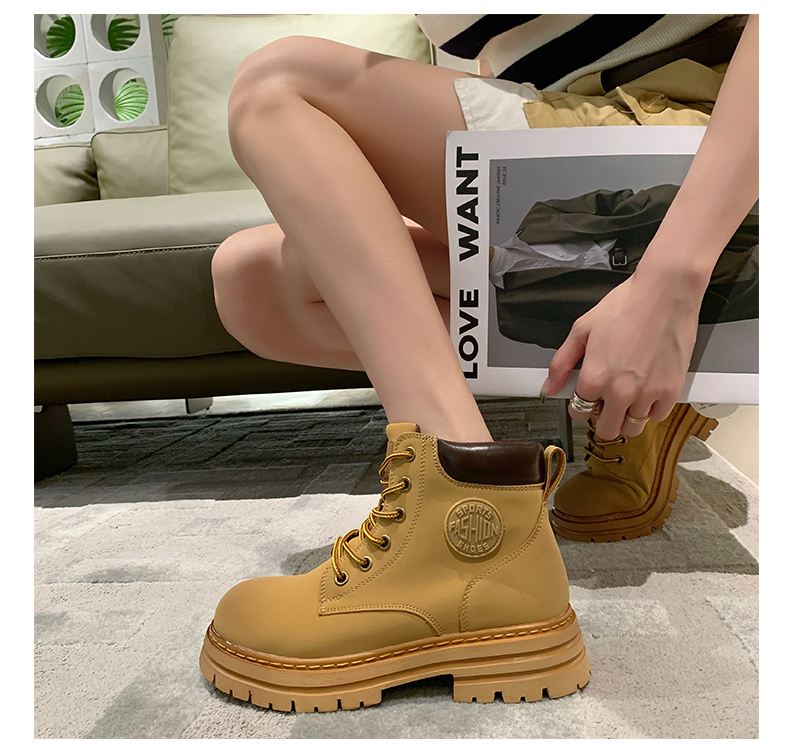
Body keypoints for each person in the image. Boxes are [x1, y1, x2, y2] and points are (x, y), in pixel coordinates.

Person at [199, 14, 758, 710]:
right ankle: (611, 418)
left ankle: (466, 501)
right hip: (568, 138)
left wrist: (669, 283)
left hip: (707, 154)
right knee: (257, 284)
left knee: (277, 84)